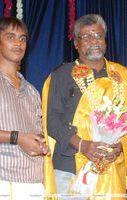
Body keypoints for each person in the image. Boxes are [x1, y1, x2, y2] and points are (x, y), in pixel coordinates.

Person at [43, 14, 127, 199]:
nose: (94, 41)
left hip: (112, 168)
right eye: (86, 36)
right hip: (70, 168)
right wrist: (82, 145)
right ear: (76, 43)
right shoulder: (61, 75)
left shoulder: (123, 75)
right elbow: (52, 120)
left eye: (98, 35)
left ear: (105, 41)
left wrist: (120, 147)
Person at [0, 17, 50, 200]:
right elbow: (20, 137)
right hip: (4, 179)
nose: (18, 43)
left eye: (22, 38)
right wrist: (17, 137)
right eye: (10, 37)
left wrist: (42, 145)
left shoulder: (32, 90)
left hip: (33, 182)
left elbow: (37, 133)